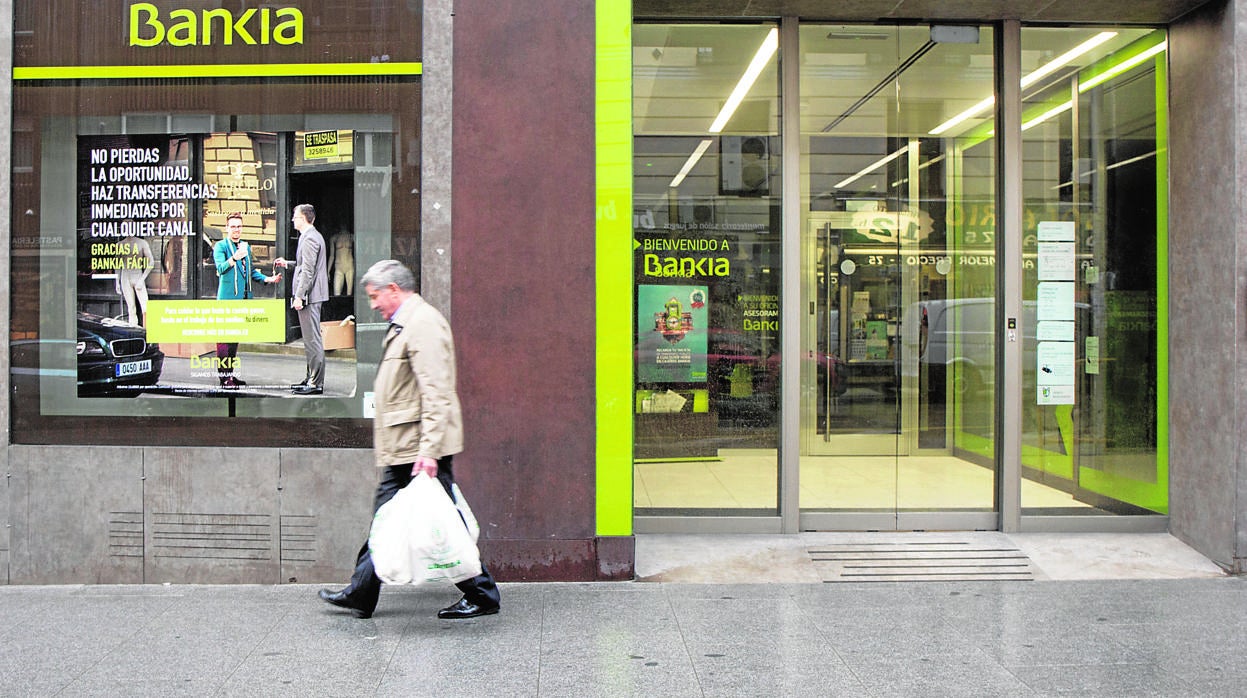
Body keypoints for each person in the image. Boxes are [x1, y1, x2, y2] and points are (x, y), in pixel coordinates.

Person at [318, 259, 501, 621]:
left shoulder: (423, 324)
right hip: (409, 444)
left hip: (417, 448)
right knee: (388, 519)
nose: (372, 304)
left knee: (433, 522)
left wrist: (429, 452)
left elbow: (437, 391)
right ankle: (361, 591)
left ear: (394, 290)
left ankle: (481, 592)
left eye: (375, 296)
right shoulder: (407, 322)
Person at [213, 213, 281, 389]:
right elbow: (220, 268)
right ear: (227, 228)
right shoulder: (220, 246)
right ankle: (224, 378)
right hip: (227, 300)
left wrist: (268, 279)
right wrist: (234, 257)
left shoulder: (245, 246)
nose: (236, 230)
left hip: (243, 300)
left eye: (239, 226)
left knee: (234, 340)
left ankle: (231, 376)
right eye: (233, 226)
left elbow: (251, 272)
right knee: (224, 340)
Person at [275, 204, 328, 395]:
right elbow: (303, 265)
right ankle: (310, 378)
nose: (292, 220)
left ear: (304, 218)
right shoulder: (310, 237)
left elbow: (308, 271)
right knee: (310, 339)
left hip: (310, 296)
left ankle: (315, 383)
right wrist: (287, 264)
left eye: (295, 217)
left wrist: (299, 295)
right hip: (312, 295)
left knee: (312, 340)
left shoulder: (310, 238)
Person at [116, 235, 154, 326]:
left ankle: (147, 332)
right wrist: (117, 281)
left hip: (137, 275)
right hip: (125, 276)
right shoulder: (120, 244)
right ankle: (133, 333)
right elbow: (117, 264)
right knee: (131, 308)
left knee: (145, 307)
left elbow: (151, 261)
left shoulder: (141, 243)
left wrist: (142, 279)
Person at [330, 229, 354, 296]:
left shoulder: (352, 237)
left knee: (349, 294)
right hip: (339, 267)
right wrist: (327, 271)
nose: (343, 224)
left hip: (349, 266)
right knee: (336, 293)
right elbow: (332, 256)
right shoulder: (334, 238)